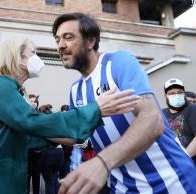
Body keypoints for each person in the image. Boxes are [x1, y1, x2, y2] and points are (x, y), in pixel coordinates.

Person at [0, 36, 138, 194]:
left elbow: (25, 137)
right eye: (33, 53)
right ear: (17, 56)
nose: (37, 58)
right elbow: (32, 122)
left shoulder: (10, 88)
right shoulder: (1, 84)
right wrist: (95, 110)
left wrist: (67, 137)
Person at [52, 12, 196, 194]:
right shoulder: (75, 90)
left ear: (90, 41)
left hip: (171, 183)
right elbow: (76, 134)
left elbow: (152, 120)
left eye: (68, 37)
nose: (61, 46)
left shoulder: (118, 63)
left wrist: (102, 162)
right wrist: (27, 125)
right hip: (123, 189)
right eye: (57, 40)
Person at [162, 78, 196, 165]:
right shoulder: (162, 114)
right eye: (172, 93)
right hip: (175, 165)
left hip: (191, 163)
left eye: (179, 92)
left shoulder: (192, 108)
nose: (176, 95)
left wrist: (183, 159)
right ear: (165, 95)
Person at [39, 104, 64, 194]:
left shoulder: (42, 123)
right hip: (60, 152)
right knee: (54, 178)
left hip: (49, 153)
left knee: (49, 182)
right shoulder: (56, 121)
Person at [27, 94, 44, 194]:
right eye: (31, 101)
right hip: (28, 149)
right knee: (27, 174)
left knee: (36, 175)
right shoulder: (25, 115)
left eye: (35, 101)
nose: (33, 103)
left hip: (38, 151)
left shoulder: (40, 115)